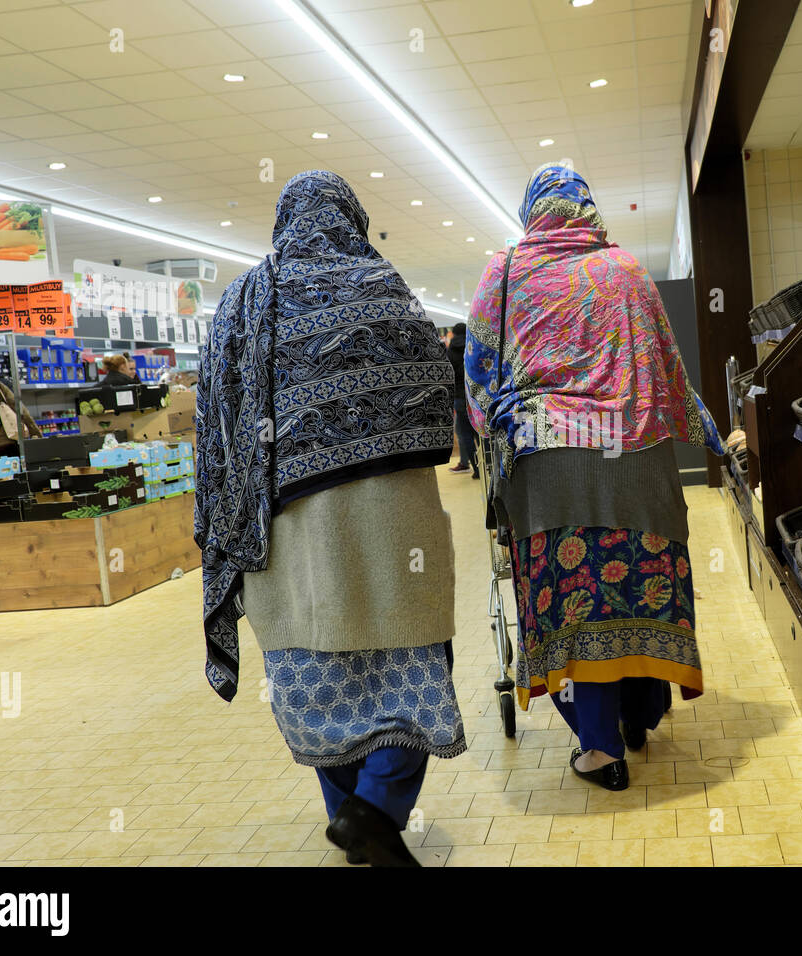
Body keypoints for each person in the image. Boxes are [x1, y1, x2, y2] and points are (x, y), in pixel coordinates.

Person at [194, 170, 465, 867]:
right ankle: (373, 811)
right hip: (391, 517)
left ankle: (352, 815)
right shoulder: (381, 286)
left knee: (318, 673)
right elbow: (437, 388)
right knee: (409, 658)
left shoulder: (241, 304)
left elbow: (214, 423)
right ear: (353, 216)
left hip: (283, 525)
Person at [465, 163, 723, 792]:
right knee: (638, 584)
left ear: (532, 209)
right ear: (587, 207)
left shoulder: (505, 271)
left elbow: (477, 370)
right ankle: (644, 711)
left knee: (571, 603)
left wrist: (487, 428)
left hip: (548, 466)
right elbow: (669, 367)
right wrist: (710, 432)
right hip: (636, 462)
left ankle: (601, 747)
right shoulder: (627, 270)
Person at [447, 322, 479, 478]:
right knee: (480, 433)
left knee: (464, 435)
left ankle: (476, 469)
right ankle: (486, 466)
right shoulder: (473, 345)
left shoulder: (450, 350)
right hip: (476, 396)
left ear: (453, 333)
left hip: (460, 397)